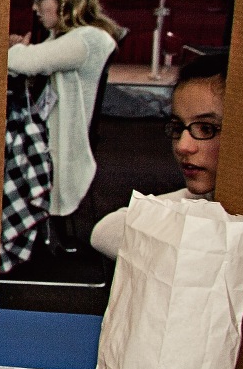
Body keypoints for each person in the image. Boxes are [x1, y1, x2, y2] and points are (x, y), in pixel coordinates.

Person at [7, 0, 125, 220]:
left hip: (56, 151)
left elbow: (25, 61)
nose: (34, 7)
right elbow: (31, 59)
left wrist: (16, 50)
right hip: (47, 137)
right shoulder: (72, 37)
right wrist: (20, 51)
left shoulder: (87, 39)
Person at [92, 51, 227, 260]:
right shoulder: (201, 201)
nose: (182, 146)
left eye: (206, 129)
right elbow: (106, 231)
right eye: (178, 127)